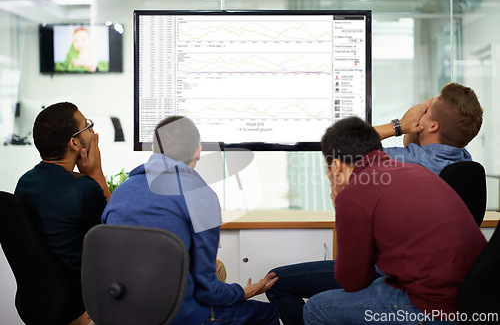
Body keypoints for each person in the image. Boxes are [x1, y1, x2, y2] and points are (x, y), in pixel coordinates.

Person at [265, 82, 484, 325]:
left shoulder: (404, 164)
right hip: (451, 285)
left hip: (415, 291)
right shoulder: (465, 163)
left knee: (300, 298)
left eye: (426, 110)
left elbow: (341, 146)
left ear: (432, 125)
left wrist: (399, 126)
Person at [102, 116, 279, 325]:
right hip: (174, 315)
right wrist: (244, 291)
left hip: (118, 310)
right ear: (198, 151)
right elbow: (207, 291)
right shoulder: (201, 196)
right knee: (267, 313)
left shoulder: (121, 192)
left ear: (153, 149)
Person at [307, 117, 485, 324]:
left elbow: (352, 281)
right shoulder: (414, 170)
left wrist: (341, 206)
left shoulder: (353, 194)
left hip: (437, 307)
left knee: (314, 308)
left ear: (336, 165)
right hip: (476, 292)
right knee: (379, 284)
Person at [15, 102, 110, 325]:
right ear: (74, 142)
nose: (92, 132)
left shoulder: (25, 182)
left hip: (44, 307)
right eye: (87, 126)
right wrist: (97, 174)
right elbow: (117, 238)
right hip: (81, 311)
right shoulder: (83, 189)